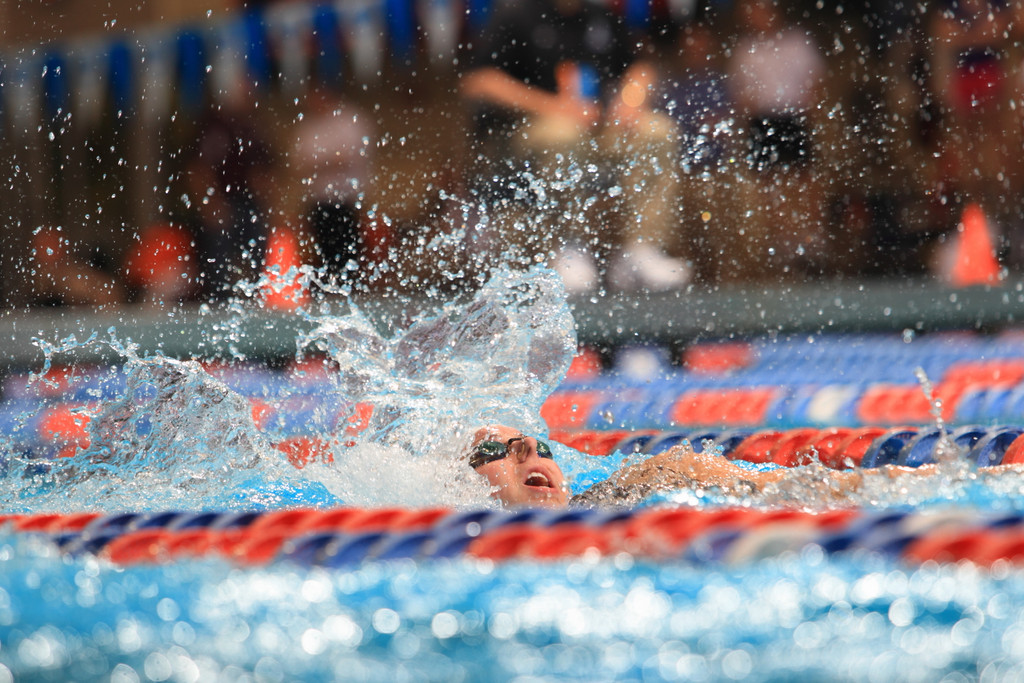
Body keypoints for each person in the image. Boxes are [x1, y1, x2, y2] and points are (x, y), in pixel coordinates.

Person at [460, 0, 691, 293]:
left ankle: (641, 250)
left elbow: (638, 67)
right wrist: (553, 106)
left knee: (657, 132)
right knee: (563, 136)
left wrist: (630, 100)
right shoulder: (516, 14)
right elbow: (479, 82)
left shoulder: (600, 16)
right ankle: (570, 248)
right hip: (530, 128)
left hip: (597, 124)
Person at [464, 423, 1016, 509]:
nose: (529, 453)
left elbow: (825, 487)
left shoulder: (639, 484)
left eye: (541, 447)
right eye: (498, 452)